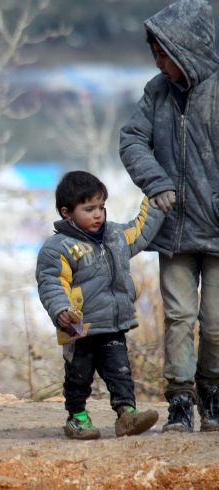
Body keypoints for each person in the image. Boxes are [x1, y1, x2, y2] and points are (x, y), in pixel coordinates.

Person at [119, 0, 219, 433]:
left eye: (165, 53)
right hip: (174, 228)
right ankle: (180, 399)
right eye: (155, 53)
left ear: (189, 49)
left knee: (215, 322)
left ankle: (213, 394)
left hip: (217, 229)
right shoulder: (156, 92)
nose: (159, 62)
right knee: (179, 317)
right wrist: (156, 183)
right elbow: (132, 140)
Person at [36, 171, 164, 440]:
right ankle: (77, 418)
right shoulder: (58, 248)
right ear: (66, 212)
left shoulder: (115, 236)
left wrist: (155, 200)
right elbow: (52, 282)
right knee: (78, 377)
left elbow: (140, 231)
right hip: (78, 329)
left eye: (101, 207)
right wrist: (62, 311)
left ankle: (127, 415)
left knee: (121, 372)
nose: (98, 214)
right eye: (89, 208)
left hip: (113, 324)